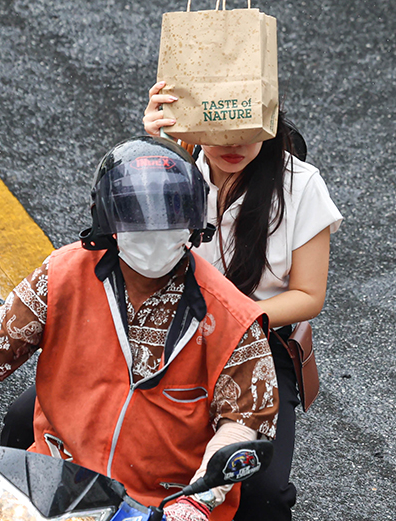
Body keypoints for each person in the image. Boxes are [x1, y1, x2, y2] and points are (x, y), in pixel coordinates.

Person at [0, 136, 280, 521]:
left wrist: (197, 501)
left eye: (169, 220)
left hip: (156, 511)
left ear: (194, 224)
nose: (153, 232)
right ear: (106, 219)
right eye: (137, 218)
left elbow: (243, 424)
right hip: (46, 492)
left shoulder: (233, 320)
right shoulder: (60, 276)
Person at [142, 82, 343, 521]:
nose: (232, 144)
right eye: (217, 129)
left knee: (264, 493)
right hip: (170, 332)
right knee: (30, 415)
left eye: (244, 128)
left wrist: (228, 318)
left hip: (260, 344)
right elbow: (130, 260)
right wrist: (152, 153)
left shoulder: (301, 185)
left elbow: (309, 296)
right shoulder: (171, 169)